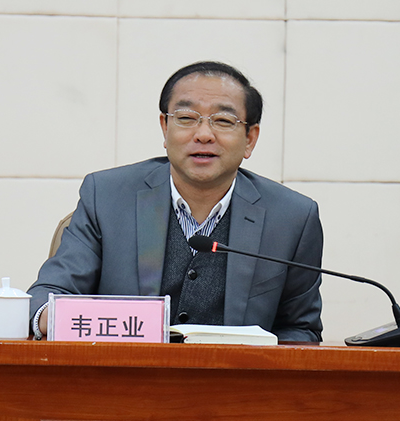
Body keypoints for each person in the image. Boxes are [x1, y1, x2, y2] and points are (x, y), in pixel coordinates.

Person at [27, 61, 323, 342]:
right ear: (165, 128)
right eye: (186, 118)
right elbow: (47, 297)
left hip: (235, 378)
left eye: (223, 121)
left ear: (250, 139)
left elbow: (300, 329)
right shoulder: (106, 197)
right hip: (125, 374)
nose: (204, 135)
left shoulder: (292, 218)